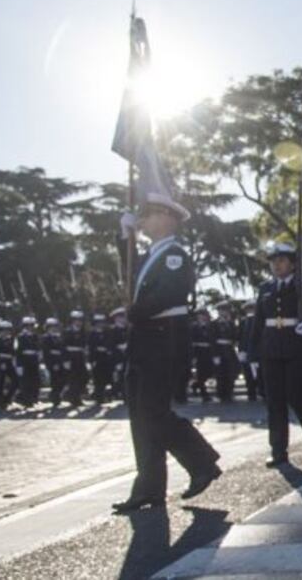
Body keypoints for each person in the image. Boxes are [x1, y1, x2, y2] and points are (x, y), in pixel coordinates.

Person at [112, 194, 221, 513]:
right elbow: (130, 273)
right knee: (140, 416)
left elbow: (169, 293)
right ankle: (149, 487)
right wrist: (125, 238)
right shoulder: (150, 255)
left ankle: (201, 462)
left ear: (168, 219)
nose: (143, 221)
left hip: (164, 339)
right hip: (145, 340)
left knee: (154, 412)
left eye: (149, 215)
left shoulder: (175, 255)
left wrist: (134, 312)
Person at [249, 242, 302, 468]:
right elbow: (258, 322)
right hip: (271, 347)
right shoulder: (266, 288)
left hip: (296, 347)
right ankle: (278, 450)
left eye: (281, 260)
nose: (276, 265)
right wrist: (252, 352)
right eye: (273, 261)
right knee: (274, 401)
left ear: (293, 264)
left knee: (297, 394)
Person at [211, 302, 239, 403]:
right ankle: (221, 393)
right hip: (219, 350)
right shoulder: (214, 323)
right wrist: (215, 355)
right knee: (220, 373)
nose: (224, 312)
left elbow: (235, 337)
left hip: (229, 350)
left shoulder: (231, 323)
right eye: (222, 310)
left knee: (231, 372)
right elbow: (212, 339)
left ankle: (229, 393)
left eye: (226, 310)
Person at [188, 310, 216, 403]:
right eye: (200, 315)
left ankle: (196, 385)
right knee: (200, 373)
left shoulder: (210, 326)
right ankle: (204, 395)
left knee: (210, 372)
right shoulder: (194, 327)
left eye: (204, 315)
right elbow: (191, 341)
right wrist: (193, 356)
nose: (202, 317)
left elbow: (212, 339)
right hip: (199, 352)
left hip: (208, 352)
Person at [62, 310, 88, 407]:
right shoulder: (67, 331)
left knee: (83, 377)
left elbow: (84, 344)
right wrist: (66, 360)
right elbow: (64, 346)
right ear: (73, 321)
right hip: (71, 357)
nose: (79, 322)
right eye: (77, 320)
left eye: (80, 320)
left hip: (80, 357)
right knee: (73, 379)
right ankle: (75, 399)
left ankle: (74, 395)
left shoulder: (82, 332)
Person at [15, 316, 41, 408]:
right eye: (28, 326)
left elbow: (38, 348)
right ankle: (26, 401)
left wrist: (38, 357)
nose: (30, 328)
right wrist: (19, 365)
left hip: (33, 360)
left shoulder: (35, 336)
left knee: (35, 381)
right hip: (24, 361)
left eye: (32, 326)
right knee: (26, 381)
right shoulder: (20, 337)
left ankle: (33, 398)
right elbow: (18, 351)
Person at [237, 301, 260, 402]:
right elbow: (240, 337)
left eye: (252, 308)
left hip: (257, 352)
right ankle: (251, 393)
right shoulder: (243, 322)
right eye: (248, 309)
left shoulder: (258, 321)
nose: (250, 311)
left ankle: (261, 391)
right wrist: (241, 350)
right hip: (246, 351)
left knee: (259, 373)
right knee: (248, 374)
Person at [42, 317, 67, 408]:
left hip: (60, 361)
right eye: (51, 327)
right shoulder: (46, 338)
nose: (54, 328)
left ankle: (55, 395)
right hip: (52, 362)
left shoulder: (59, 337)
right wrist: (51, 363)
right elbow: (46, 352)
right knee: (55, 381)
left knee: (63, 380)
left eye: (55, 327)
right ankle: (55, 399)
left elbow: (63, 349)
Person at [88, 313, 113, 404]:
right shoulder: (92, 334)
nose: (100, 324)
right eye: (98, 323)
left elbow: (110, 343)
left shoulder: (106, 333)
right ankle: (98, 397)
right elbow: (90, 347)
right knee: (97, 379)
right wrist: (92, 360)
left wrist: (107, 349)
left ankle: (104, 395)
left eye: (102, 322)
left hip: (105, 358)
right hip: (96, 358)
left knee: (105, 378)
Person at [107, 308, 130, 402]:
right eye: (122, 317)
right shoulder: (112, 330)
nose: (124, 319)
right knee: (117, 377)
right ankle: (113, 393)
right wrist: (116, 359)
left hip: (126, 356)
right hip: (117, 357)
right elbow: (111, 346)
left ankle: (125, 395)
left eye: (124, 317)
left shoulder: (127, 329)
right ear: (116, 318)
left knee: (126, 377)